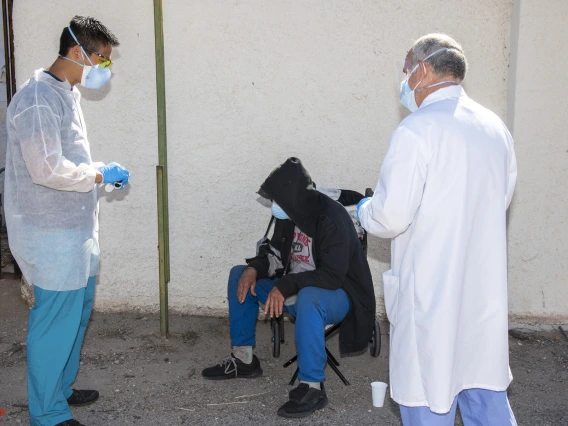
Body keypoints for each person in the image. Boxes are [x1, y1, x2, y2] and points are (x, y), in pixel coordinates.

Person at [357, 34, 518, 425]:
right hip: (480, 296)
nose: (404, 81)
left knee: (429, 395)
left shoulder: (417, 131)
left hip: (431, 297)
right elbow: (501, 199)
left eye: (405, 70)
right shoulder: (495, 128)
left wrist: (364, 209)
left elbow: (390, 215)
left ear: (424, 69)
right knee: (483, 393)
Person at [4, 16, 130, 426]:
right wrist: (97, 174)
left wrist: (98, 171)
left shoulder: (64, 93)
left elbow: (66, 160)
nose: (105, 69)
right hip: (49, 233)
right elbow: (45, 169)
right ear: (78, 52)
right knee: (54, 323)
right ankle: (48, 414)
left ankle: (61, 389)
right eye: (103, 59)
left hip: (75, 230)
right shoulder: (38, 97)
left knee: (75, 316)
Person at [202, 157, 376, 418]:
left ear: (293, 198)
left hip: (339, 294)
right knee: (240, 274)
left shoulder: (332, 218)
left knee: (308, 298)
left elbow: (332, 276)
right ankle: (244, 359)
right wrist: (254, 269)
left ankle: (313, 387)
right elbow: (273, 255)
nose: (273, 206)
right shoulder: (290, 215)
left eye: (276, 200)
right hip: (296, 288)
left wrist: (285, 286)